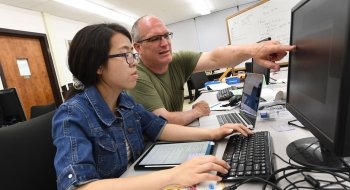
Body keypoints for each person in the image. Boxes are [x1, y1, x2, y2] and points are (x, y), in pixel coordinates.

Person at [52, 23, 253, 190]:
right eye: (125, 55)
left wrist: (213, 133)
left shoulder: (123, 101)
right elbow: (79, 187)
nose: (134, 62)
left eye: (133, 54)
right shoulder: (72, 115)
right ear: (97, 66)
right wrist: (173, 176)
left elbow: (160, 128)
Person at [128, 15, 296, 126]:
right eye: (155, 38)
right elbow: (164, 121)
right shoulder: (136, 76)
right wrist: (196, 112)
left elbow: (216, 57)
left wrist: (254, 50)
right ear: (138, 47)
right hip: (155, 144)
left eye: (166, 35)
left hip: (176, 132)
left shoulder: (176, 60)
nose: (165, 43)